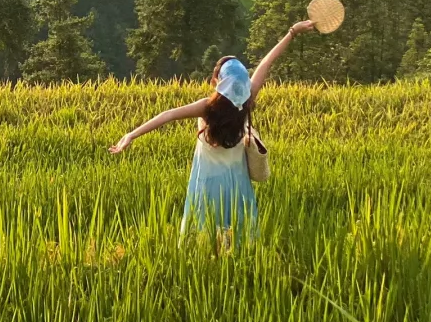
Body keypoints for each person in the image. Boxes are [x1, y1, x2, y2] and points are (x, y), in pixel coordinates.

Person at [109, 20, 317, 236]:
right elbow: (267, 62)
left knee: (204, 234)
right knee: (237, 235)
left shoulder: (207, 108)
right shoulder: (247, 101)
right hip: (238, 185)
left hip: (207, 183)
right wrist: (292, 32)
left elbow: (167, 115)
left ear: (217, 81)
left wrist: (131, 135)